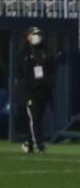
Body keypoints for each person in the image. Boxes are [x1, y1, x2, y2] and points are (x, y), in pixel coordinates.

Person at [16, 26, 55, 154]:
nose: (37, 36)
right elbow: (21, 73)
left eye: (38, 33)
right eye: (34, 34)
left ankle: (29, 143)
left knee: (38, 118)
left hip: (42, 91)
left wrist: (48, 86)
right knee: (34, 117)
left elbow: (50, 69)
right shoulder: (24, 53)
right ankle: (39, 144)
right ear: (28, 36)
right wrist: (25, 91)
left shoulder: (45, 51)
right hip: (29, 91)